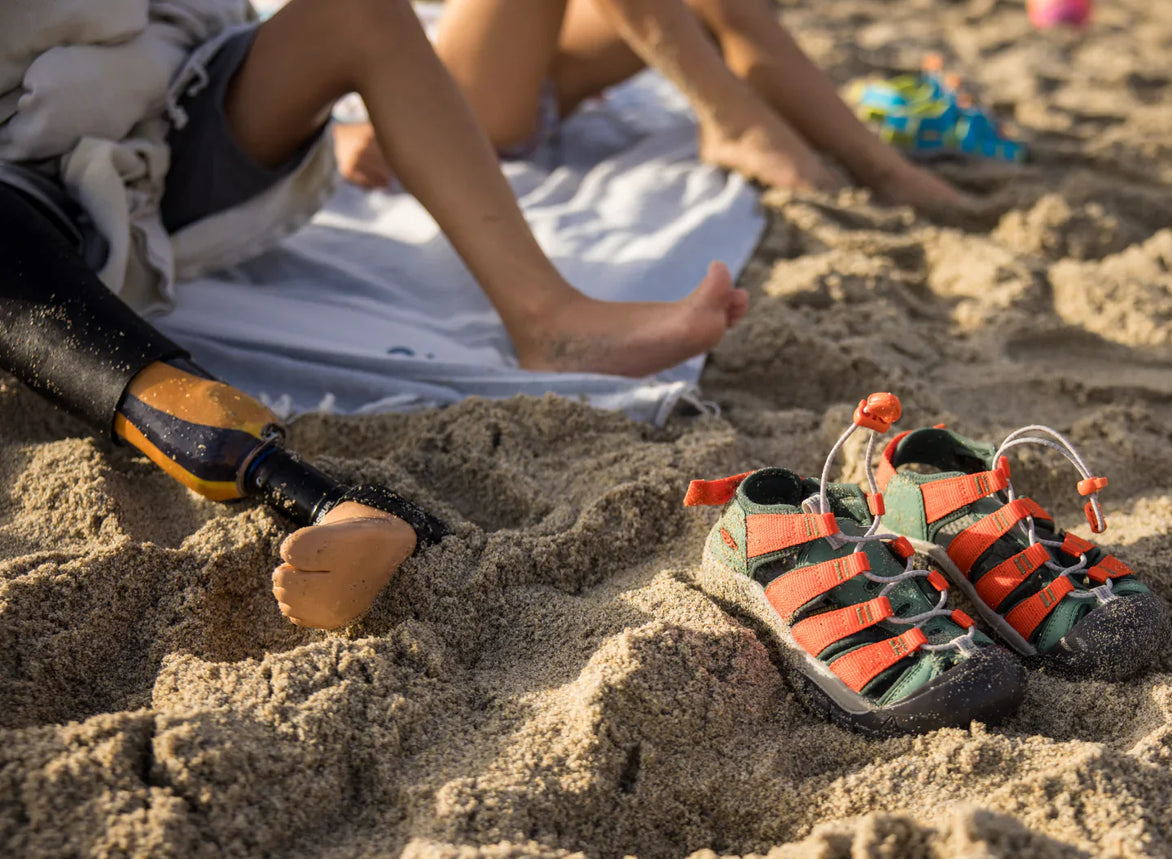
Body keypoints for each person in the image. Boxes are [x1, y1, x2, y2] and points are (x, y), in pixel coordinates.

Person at [0, 0, 746, 629]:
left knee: (360, 12)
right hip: (18, 197)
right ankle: (322, 499)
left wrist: (334, 119)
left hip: (158, 103)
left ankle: (549, 318)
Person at [332, 0, 986, 214]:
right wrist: (334, 135)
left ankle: (878, 166)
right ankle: (732, 118)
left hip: (525, 71)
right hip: (454, 102)